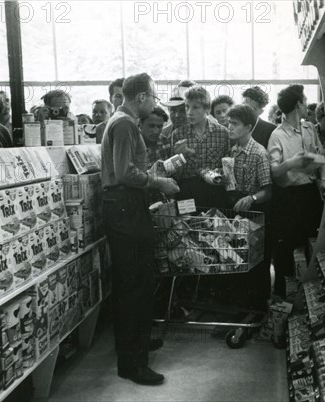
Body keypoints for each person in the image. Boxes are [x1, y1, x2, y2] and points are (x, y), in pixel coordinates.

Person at [101, 73, 179, 386]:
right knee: (136, 283)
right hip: (125, 208)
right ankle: (132, 364)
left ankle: (133, 344)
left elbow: (126, 169)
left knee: (130, 281)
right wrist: (156, 181)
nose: (157, 101)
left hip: (124, 206)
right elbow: (123, 172)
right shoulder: (123, 123)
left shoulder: (121, 122)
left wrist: (148, 176)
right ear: (142, 97)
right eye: (155, 96)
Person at [268, 85, 325, 298]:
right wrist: (292, 163)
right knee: (287, 249)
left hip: (310, 195)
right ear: (298, 105)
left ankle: (311, 296)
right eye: (304, 100)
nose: (306, 105)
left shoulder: (310, 128)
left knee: (312, 244)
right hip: (288, 200)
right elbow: (274, 171)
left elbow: (322, 157)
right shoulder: (277, 135)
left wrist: (322, 177)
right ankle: (285, 298)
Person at [225, 104, 273, 308]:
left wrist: (251, 198)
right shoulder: (233, 151)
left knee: (256, 263)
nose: (230, 127)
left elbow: (268, 191)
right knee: (239, 260)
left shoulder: (259, 153)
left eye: (234, 124)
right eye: (229, 123)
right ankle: (241, 307)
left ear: (248, 127)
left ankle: (258, 308)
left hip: (255, 214)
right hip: (237, 213)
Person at [171, 86, 230, 207]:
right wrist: (180, 156)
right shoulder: (178, 134)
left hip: (215, 191)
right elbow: (175, 175)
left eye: (195, 107)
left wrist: (222, 174)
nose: (189, 112)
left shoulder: (223, 133)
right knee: (187, 224)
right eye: (187, 107)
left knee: (217, 224)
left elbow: (227, 164)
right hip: (187, 192)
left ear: (207, 109)